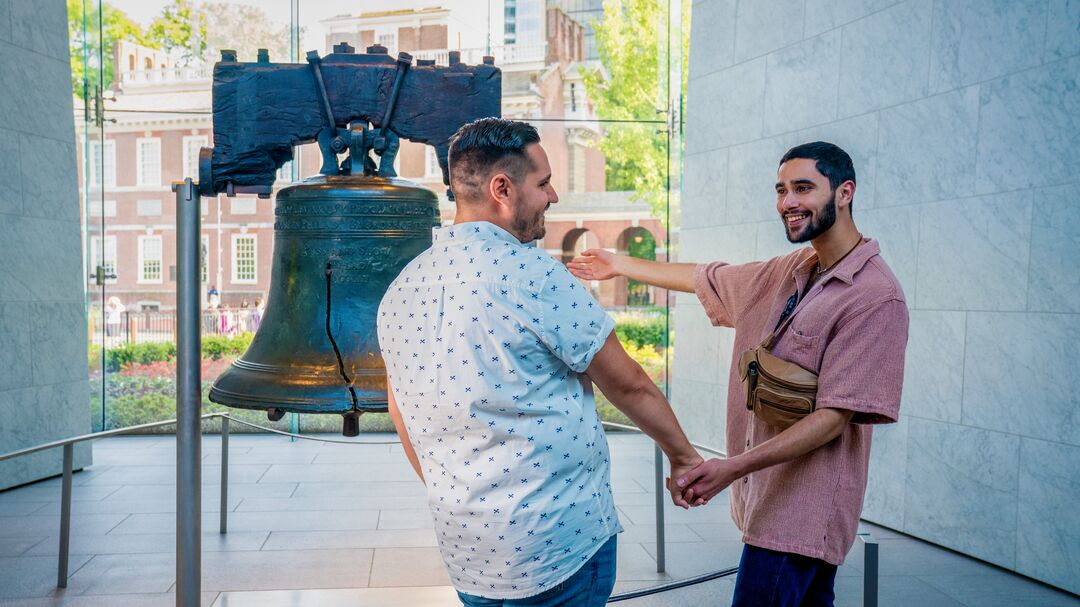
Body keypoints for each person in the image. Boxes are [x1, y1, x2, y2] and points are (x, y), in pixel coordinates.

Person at [376, 118, 703, 606]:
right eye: (544, 183)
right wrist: (684, 458)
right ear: (502, 188)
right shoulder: (533, 275)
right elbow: (628, 384)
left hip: (468, 552)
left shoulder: (401, 288)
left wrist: (463, 503)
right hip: (557, 546)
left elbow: (400, 411)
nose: (553, 196)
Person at [568, 141, 909, 606]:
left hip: (803, 516)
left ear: (845, 192)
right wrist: (618, 264)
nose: (788, 203)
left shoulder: (875, 296)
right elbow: (708, 277)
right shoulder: (793, 269)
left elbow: (833, 418)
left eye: (803, 188)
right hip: (765, 505)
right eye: (782, 190)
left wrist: (729, 469)